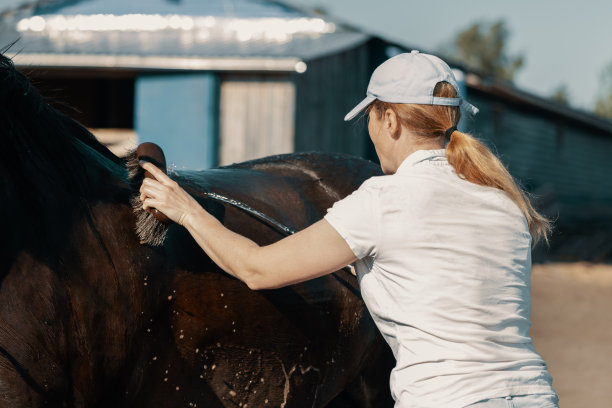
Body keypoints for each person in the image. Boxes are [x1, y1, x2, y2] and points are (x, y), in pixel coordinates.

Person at [140, 50, 558, 408]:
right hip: (535, 394)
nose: (372, 133)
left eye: (371, 120)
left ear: (390, 119)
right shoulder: (504, 202)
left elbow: (257, 269)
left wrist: (187, 210)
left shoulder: (384, 200)